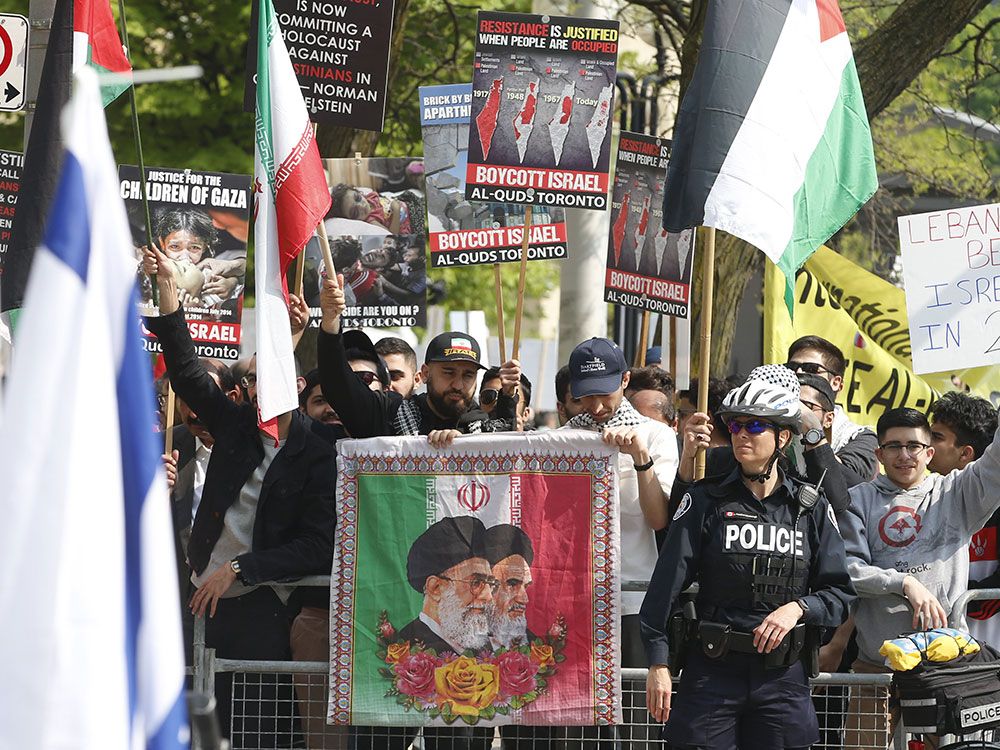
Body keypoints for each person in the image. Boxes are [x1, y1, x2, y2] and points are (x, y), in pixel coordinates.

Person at [143, 244, 337, 748]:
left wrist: (241, 569)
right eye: (253, 382)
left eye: (271, 380)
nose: (260, 390)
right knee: (194, 723)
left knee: (256, 729)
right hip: (198, 601)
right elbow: (186, 372)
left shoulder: (319, 456)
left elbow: (318, 546)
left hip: (263, 608)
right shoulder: (235, 428)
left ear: (295, 386)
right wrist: (167, 291)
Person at [641, 374, 855, 750]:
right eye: (736, 425)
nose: (742, 434)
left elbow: (840, 593)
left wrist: (799, 608)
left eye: (755, 425)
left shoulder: (810, 508)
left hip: (783, 680)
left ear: (783, 438)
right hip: (712, 675)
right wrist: (658, 663)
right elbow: (665, 585)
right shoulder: (706, 501)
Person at [842, 406, 1000, 748]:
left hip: (945, 666)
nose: (904, 455)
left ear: (929, 452)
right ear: (879, 454)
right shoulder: (858, 499)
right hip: (877, 666)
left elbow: (995, 465)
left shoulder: (957, 493)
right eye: (894, 446)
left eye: (913, 446)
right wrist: (904, 583)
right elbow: (849, 570)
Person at [561, 337, 678, 749]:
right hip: (574, 605)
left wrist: (639, 458)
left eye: (604, 393)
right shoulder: (559, 441)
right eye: (585, 396)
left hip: (633, 603)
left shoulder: (657, 437)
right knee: (580, 731)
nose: (594, 406)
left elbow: (658, 517)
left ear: (626, 380)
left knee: (636, 732)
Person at [317, 273, 520, 439]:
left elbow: (506, 453)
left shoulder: (481, 427)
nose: (458, 385)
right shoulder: (389, 413)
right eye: (448, 372)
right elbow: (338, 385)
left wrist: (508, 397)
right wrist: (331, 320)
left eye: (468, 375)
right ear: (425, 373)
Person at [928, 392, 1000, 647]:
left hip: (988, 663)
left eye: (936, 437)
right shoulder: (919, 504)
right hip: (942, 666)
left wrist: (951, 600)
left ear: (965, 453)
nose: (924, 445)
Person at [785, 335, 879, 484]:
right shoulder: (770, 424)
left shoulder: (862, 438)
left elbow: (848, 485)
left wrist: (812, 431)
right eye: (791, 368)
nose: (798, 373)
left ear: (836, 383)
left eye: (811, 369)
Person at [400, 516, 495, 655]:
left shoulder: (484, 648)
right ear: (436, 588)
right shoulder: (406, 649)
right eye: (476, 583)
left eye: (491, 584)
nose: (489, 597)